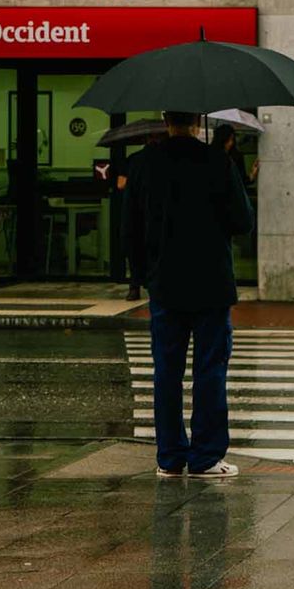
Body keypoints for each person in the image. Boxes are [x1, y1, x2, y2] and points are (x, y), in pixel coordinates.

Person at [125, 111, 254, 480]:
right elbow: (243, 221)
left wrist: (143, 275)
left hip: (165, 283)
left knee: (166, 371)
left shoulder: (143, 164)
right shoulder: (218, 161)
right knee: (210, 369)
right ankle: (206, 457)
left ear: (165, 120)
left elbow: (129, 229)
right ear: (198, 121)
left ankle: (169, 457)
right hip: (211, 282)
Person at [117, 132, 162, 301]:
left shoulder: (133, 159)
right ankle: (152, 286)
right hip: (154, 212)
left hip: (134, 211)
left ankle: (134, 287)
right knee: (153, 251)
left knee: (135, 250)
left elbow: (120, 184)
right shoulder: (164, 160)